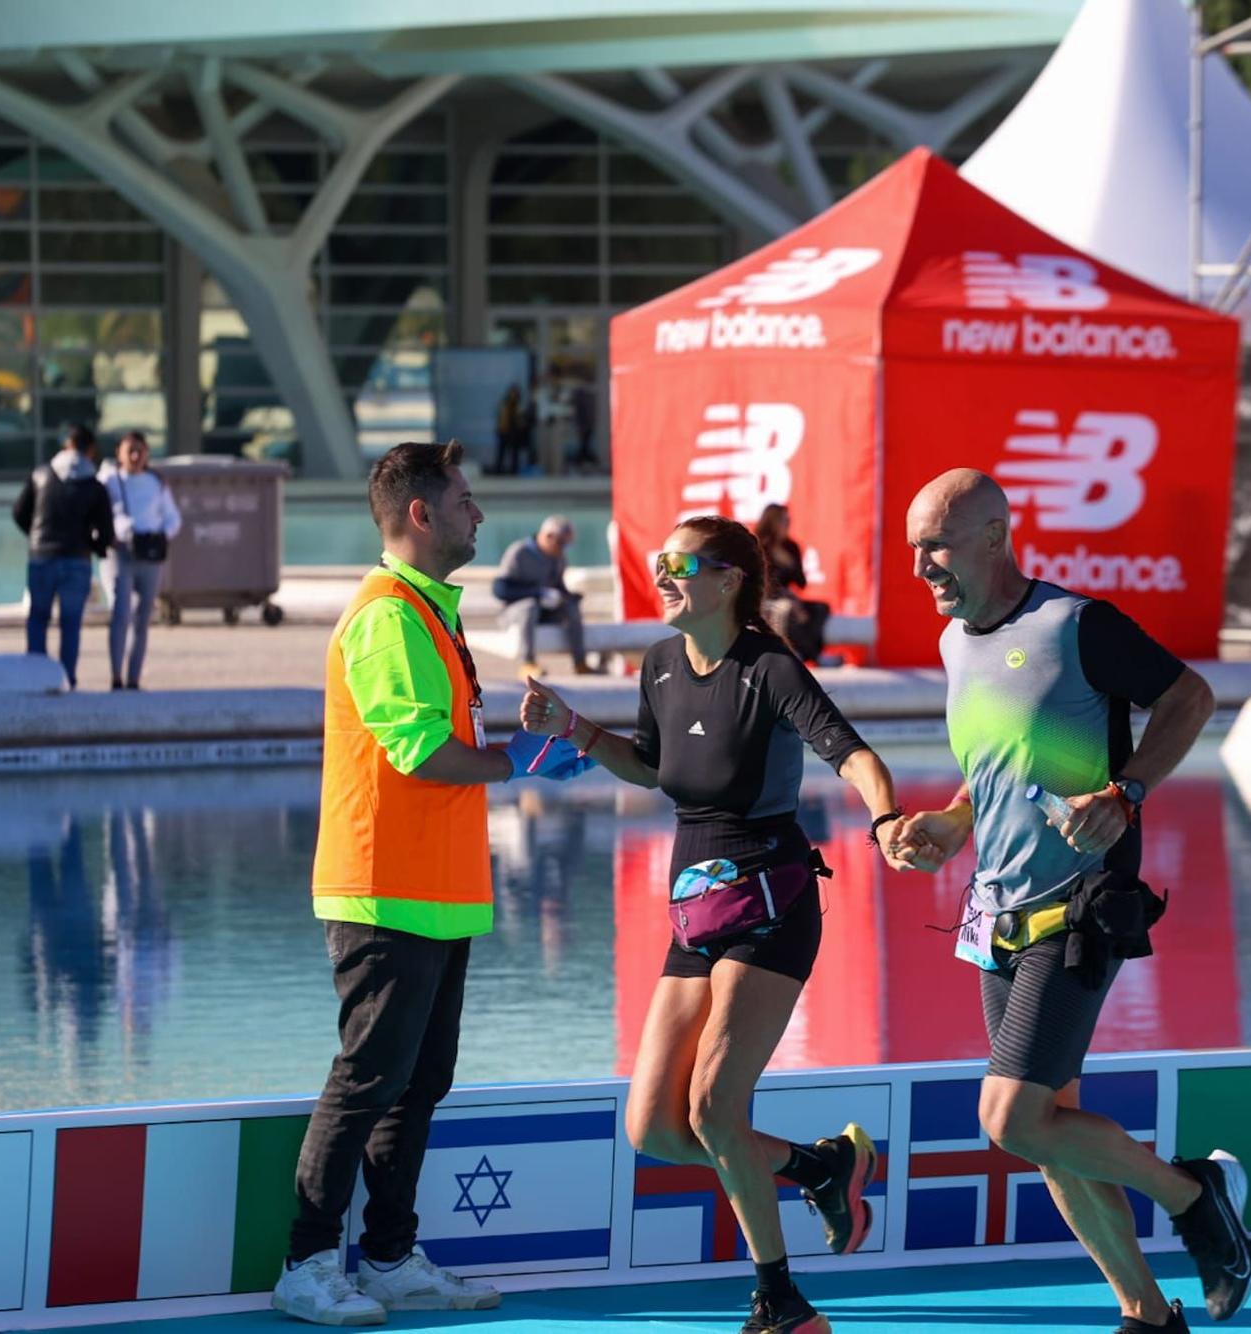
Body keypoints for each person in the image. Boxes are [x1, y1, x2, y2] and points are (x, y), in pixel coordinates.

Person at [887, 470, 1251, 1333]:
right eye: (912, 548)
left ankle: (1194, 1195)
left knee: (1013, 1118)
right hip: (997, 913)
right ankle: (1147, 1313)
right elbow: (999, 774)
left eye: (935, 546)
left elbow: (1190, 697)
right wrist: (948, 824)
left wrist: (1126, 791)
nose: (921, 567)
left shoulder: (1073, 625)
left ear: (993, 536)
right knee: (1049, 1127)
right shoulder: (954, 645)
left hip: (1080, 904)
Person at [517, 515, 904, 1334]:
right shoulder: (659, 664)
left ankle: (782, 1302)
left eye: (678, 564)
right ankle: (823, 1165)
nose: (661, 575)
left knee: (717, 1109)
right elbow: (656, 769)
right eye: (660, 563)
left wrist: (886, 818)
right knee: (655, 1125)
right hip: (698, 905)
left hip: (772, 902)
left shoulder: (770, 666)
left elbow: (855, 754)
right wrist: (576, 732)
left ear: (728, 580)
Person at [274, 441, 596, 1327]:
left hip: (436, 891)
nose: (478, 514)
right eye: (464, 499)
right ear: (420, 513)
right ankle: (306, 1263)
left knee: (418, 1084)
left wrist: (515, 745)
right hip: (384, 889)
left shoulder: (429, 610)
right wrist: (518, 759)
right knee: (367, 1078)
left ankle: (384, 1255)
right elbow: (420, 752)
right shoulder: (387, 615)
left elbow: (443, 741)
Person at [12, 424, 113, 690]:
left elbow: (19, 513)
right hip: (76, 561)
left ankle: (36, 677)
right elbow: (106, 531)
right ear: (90, 450)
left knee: (38, 618)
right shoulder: (94, 485)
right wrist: (95, 547)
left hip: (41, 557)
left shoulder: (41, 474)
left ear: (67, 445)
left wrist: (36, 537)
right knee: (70, 624)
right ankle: (66, 680)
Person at [101, 431, 182, 691]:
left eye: (140, 450)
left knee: (143, 617)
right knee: (120, 613)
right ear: (119, 453)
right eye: (130, 450)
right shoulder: (109, 480)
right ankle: (116, 675)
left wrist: (160, 536)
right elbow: (101, 515)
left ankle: (134, 678)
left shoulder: (156, 482)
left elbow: (173, 518)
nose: (135, 456)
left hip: (150, 555)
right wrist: (117, 533)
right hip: (122, 553)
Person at [493, 515, 597, 680]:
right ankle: (527, 663)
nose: (564, 549)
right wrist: (537, 592)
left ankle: (580, 662)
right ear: (548, 537)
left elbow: (558, 587)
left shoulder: (559, 558)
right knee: (529, 606)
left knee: (570, 606)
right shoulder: (519, 552)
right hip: (515, 612)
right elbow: (500, 590)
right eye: (562, 543)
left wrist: (569, 596)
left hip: (543, 612)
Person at [754, 504, 829, 663]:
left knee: (820, 609)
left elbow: (801, 583)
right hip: (766, 598)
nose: (787, 524)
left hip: (788, 597)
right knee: (787, 610)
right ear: (773, 522)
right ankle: (815, 656)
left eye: (788, 520)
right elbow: (760, 581)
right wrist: (789, 600)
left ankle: (806, 653)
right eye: (783, 520)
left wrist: (790, 564)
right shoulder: (759, 545)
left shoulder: (791, 547)